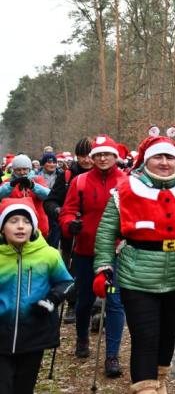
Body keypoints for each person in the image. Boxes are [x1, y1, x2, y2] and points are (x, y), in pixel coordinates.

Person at [93, 134, 175, 394]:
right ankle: (146, 389)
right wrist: (103, 267)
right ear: (147, 161)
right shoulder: (126, 190)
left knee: (167, 339)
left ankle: (159, 384)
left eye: (169, 157)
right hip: (137, 276)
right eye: (158, 157)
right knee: (145, 338)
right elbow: (106, 232)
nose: (164, 162)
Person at [59, 135, 127, 377]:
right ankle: (81, 338)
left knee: (115, 301)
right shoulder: (79, 182)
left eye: (106, 154)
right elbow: (67, 213)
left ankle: (112, 355)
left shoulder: (127, 182)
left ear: (115, 156)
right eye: (98, 154)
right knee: (85, 299)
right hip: (86, 251)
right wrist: (70, 225)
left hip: (118, 251)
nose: (102, 158)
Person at [0, 198, 73, 394]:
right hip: (2, 332)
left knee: (24, 386)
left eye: (26, 221)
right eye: (13, 221)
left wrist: (52, 300)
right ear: (2, 228)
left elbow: (66, 282)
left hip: (34, 333)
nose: (20, 227)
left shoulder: (48, 255)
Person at [43, 137, 94, 325]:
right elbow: (50, 201)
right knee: (70, 270)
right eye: (82, 156)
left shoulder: (102, 174)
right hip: (70, 233)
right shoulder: (67, 175)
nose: (86, 160)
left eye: (89, 156)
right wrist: (61, 213)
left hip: (96, 233)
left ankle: (95, 307)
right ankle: (72, 304)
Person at [0, 154, 51, 237]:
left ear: (29, 169)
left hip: (39, 224)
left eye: (25, 169)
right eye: (18, 170)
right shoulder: (8, 182)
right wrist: (11, 186)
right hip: (15, 226)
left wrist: (33, 186)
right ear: (13, 170)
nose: (22, 172)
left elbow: (48, 196)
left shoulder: (37, 179)